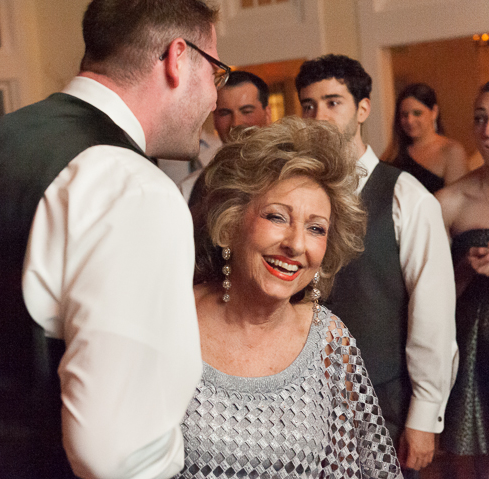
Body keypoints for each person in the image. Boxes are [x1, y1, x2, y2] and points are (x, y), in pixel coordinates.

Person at [0, 1, 222, 478]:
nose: (215, 99)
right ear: (177, 58)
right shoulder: (131, 187)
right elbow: (116, 454)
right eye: (216, 72)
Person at [178, 116, 400, 477]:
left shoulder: (330, 341)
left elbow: (355, 471)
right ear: (232, 220)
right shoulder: (174, 317)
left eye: (316, 229)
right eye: (277, 217)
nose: (296, 244)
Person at [296, 54, 457, 478]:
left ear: (362, 109)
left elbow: (433, 313)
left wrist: (424, 415)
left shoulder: (408, 195)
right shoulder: (295, 194)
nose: (319, 116)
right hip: (303, 398)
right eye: (309, 105)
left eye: (333, 103)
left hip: (383, 399)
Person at [435, 82, 489, 479]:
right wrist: (464, 268)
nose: (487, 130)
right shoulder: (449, 201)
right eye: (480, 118)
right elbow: (429, 301)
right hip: (473, 357)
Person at [179, 71, 271, 201]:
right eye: (225, 113)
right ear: (215, 119)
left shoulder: (291, 177)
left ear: (267, 114)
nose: (236, 123)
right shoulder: (190, 190)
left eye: (247, 111)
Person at [382, 83, 469, 193]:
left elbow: (457, 202)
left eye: (417, 113)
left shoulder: (452, 151)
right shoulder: (394, 150)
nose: (410, 120)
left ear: (434, 112)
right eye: (404, 115)